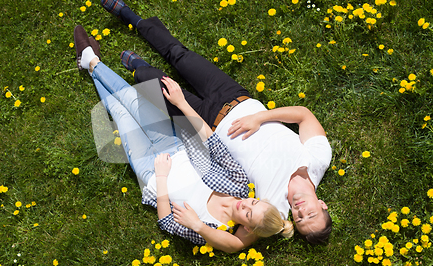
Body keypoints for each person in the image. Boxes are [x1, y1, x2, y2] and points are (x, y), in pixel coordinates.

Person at [100, 0, 333, 244]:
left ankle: (139, 67)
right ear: (322, 204)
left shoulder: (273, 207)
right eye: (310, 213)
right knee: (179, 55)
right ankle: (131, 17)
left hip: (204, 126)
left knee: (154, 85)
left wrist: (198, 226)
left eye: (299, 219)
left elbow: (236, 245)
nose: (300, 210)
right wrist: (260, 117)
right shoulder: (319, 159)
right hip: (233, 97)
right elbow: (303, 116)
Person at [73, 25, 294, 253]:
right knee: (130, 98)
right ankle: (91, 62)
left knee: (120, 114)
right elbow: (213, 143)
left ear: (248, 229)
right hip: (175, 146)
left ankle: (90, 61)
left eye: (248, 213)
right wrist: (181, 103)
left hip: (151, 171)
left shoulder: (210, 227)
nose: (245, 203)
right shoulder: (239, 183)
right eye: (254, 202)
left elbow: (166, 222)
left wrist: (160, 177)